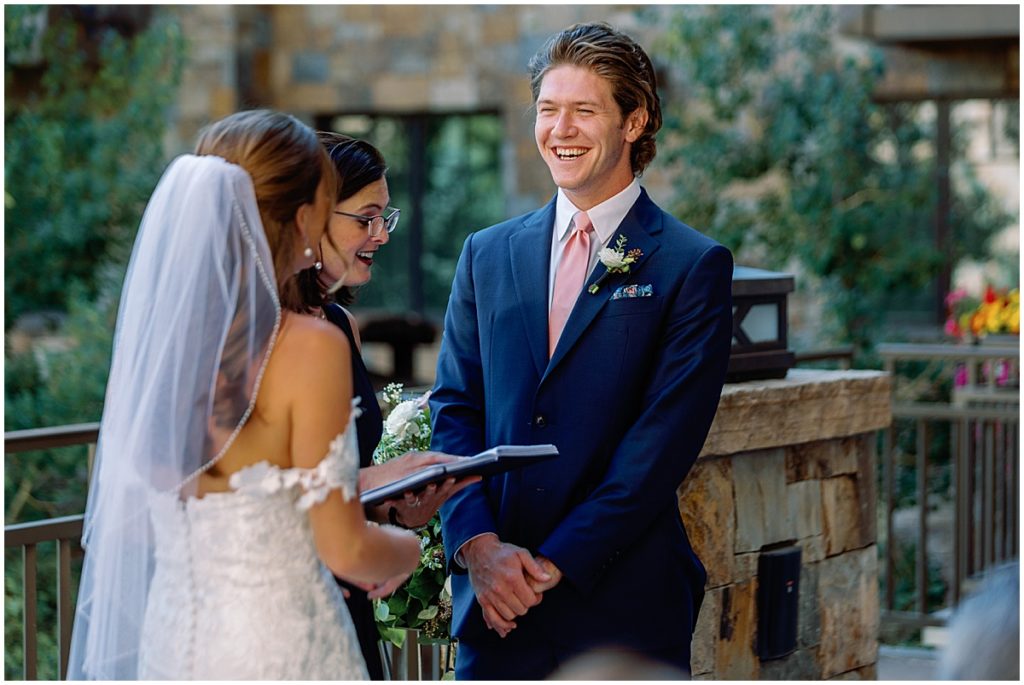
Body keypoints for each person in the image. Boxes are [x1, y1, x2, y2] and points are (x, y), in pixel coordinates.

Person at [67, 110, 422, 680]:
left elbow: (138, 516)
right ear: (303, 214)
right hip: (277, 640)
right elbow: (346, 550)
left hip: (175, 636)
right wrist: (410, 553)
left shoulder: (168, 346)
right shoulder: (309, 345)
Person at [429, 22, 734, 678]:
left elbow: (656, 452)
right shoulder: (486, 253)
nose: (560, 129)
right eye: (547, 109)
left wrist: (546, 567)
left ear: (634, 121)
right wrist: (480, 549)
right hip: (494, 612)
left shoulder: (690, 264)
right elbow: (455, 411)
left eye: (584, 110)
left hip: (620, 608)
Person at [296, 132, 478, 679]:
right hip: (291, 599)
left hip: (347, 598)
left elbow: (332, 481)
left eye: (386, 217)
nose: (380, 235)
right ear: (312, 218)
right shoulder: (264, 338)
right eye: (366, 218)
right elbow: (273, 491)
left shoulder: (340, 327)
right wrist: (390, 536)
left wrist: (394, 506)